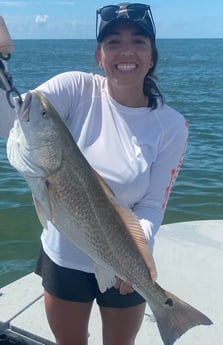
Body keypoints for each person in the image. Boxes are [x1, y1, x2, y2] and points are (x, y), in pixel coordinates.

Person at [0, 3, 188, 345]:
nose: (125, 50)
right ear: (99, 56)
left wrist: (134, 256)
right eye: (113, 41)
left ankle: (169, 313)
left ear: (152, 56)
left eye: (138, 41)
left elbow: (151, 206)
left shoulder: (171, 126)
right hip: (63, 259)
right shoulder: (76, 88)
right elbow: (12, 117)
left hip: (127, 261)